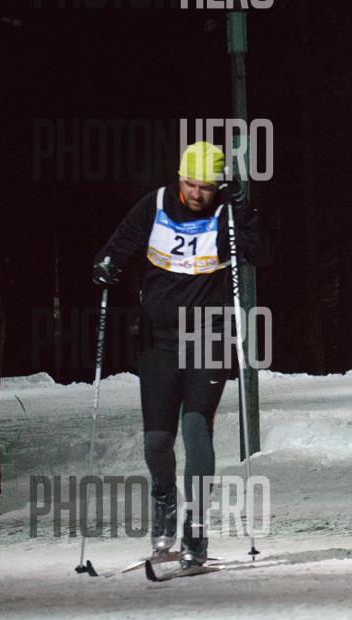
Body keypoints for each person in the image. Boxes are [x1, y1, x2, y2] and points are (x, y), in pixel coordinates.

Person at [92, 141, 271, 567]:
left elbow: (261, 255)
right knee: (157, 441)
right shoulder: (156, 204)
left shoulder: (226, 212)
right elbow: (119, 244)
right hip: (158, 339)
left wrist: (243, 210)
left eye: (205, 187)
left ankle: (196, 530)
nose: (196, 193)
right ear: (179, 178)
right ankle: (164, 501)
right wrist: (106, 263)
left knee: (195, 431)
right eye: (190, 184)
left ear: (218, 186)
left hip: (209, 333)